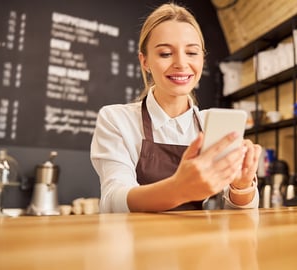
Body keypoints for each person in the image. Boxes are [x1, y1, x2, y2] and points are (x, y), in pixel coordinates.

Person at [90, 3, 262, 213]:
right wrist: (178, 189)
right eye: (165, 54)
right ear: (144, 61)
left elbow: (240, 216)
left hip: (195, 243)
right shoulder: (116, 119)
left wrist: (241, 187)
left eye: (191, 52)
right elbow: (113, 201)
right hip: (136, 244)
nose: (181, 63)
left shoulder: (212, 124)